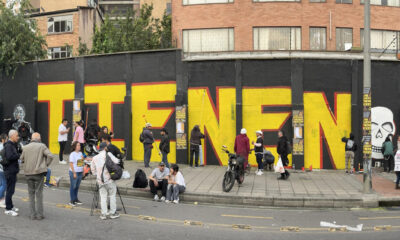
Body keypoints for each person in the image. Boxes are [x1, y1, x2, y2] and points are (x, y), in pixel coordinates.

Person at [20, 132, 53, 220]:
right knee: (39, 194)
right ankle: (39, 215)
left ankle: (32, 214)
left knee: (31, 194)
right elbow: (50, 156)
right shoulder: (42, 146)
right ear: (38, 139)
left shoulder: (25, 147)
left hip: (28, 173)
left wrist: (25, 166)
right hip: (38, 173)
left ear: (32, 138)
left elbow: (21, 159)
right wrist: (45, 165)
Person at [91, 142, 121, 220]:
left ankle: (103, 214)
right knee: (112, 196)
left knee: (103, 197)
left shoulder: (95, 158)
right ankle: (112, 213)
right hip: (109, 179)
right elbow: (117, 161)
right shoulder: (109, 155)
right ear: (105, 148)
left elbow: (93, 170)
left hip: (100, 181)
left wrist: (97, 174)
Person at [3, 130, 21, 216]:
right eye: (17, 136)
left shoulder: (12, 145)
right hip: (10, 171)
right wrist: (19, 156)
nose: (18, 137)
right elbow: (10, 157)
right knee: (10, 190)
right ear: (12, 136)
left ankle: (10, 206)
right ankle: (8, 209)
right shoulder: (9, 145)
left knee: (11, 190)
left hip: (12, 170)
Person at [68, 141, 89, 206]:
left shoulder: (80, 153)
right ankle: (72, 200)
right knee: (73, 186)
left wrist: (83, 171)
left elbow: (81, 163)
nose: (79, 146)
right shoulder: (72, 154)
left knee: (77, 186)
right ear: (74, 147)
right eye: (78, 145)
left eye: (79, 145)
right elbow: (71, 164)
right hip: (74, 172)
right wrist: (74, 173)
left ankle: (75, 199)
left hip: (80, 172)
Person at [0, 133, 8, 208]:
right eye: (6, 139)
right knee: (4, 184)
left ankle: (2, 199)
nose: (7, 140)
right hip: (2, 168)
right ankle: (1, 199)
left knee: (1, 184)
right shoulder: (3, 147)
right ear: (3, 139)